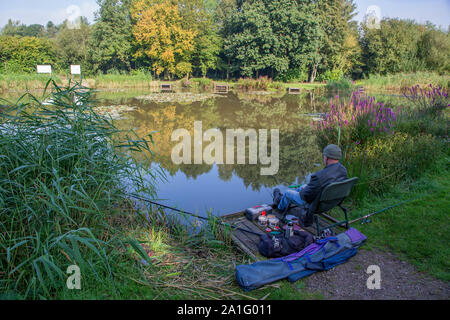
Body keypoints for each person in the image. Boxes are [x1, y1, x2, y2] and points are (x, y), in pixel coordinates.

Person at [273, 144, 348, 226]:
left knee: (288, 192)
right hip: (332, 202)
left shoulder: (319, 176)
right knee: (302, 186)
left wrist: (303, 190)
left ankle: (279, 206)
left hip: (315, 205)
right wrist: (307, 187)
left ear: (326, 158)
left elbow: (305, 196)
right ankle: (282, 199)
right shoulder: (343, 170)